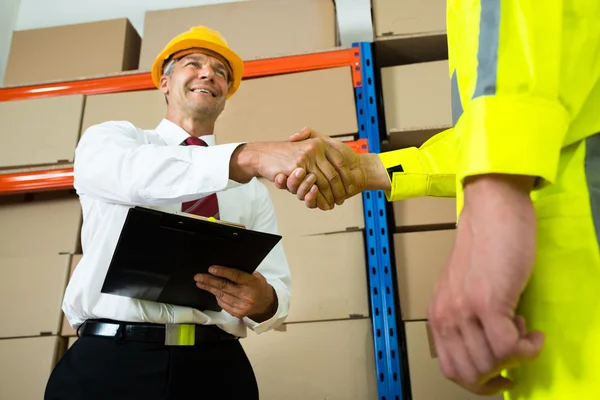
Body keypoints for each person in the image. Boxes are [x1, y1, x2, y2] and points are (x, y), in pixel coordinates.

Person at [278, 1, 600, 399]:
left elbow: (503, 125)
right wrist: (371, 169)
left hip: (577, 255)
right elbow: (478, 139)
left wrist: (491, 196)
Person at [44, 26, 359, 400]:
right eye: (193, 64)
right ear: (164, 82)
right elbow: (137, 177)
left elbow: (278, 291)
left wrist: (264, 302)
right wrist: (248, 156)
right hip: (109, 364)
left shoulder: (250, 191)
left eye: (221, 72)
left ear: (226, 94)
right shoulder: (113, 141)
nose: (209, 74)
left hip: (215, 369)